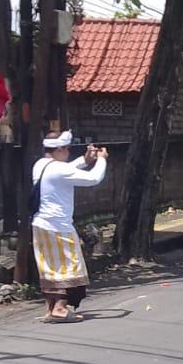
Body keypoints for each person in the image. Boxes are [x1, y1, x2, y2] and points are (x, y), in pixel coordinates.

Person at [32, 131, 108, 322]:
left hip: (40, 225)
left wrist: (85, 160)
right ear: (59, 149)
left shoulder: (40, 165)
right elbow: (93, 178)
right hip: (59, 226)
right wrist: (101, 159)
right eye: (67, 149)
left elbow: (65, 169)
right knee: (71, 266)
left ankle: (51, 308)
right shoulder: (59, 169)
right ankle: (60, 308)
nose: (68, 153)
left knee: (50, 268)